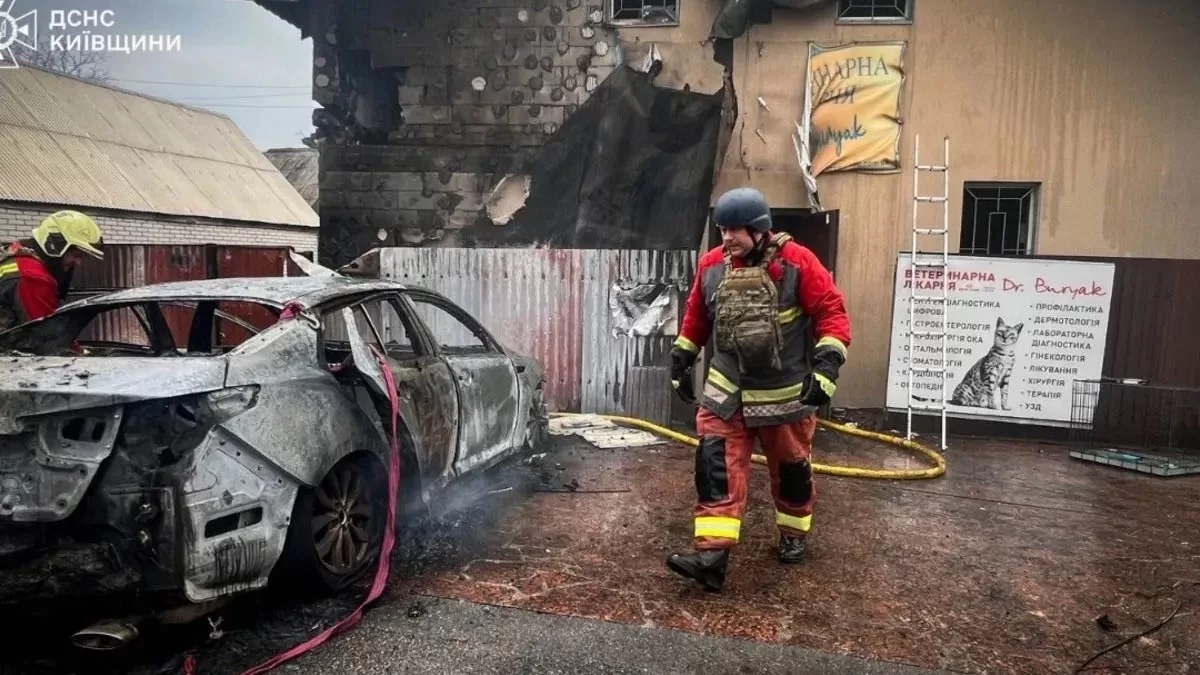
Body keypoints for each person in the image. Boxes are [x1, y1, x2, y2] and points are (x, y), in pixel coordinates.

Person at [666, 187, 851, 592]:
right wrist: (681, 358)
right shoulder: (713, 265)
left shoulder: (797, 263)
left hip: (784, 395)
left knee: (791, 470)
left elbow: (831, 313)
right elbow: (697, 315)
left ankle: (793, 535)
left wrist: (826, 367)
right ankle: (711, 557)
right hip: (726, 391)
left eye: (734, 230)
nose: (726, 238)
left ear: (759, 230)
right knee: (716, 468)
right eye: (722, 229)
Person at [0, 210, 105, 332]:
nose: (78, 262)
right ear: (54, 245)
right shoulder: (34, 277)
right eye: (76, 255)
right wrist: (78, 351)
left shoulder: (17, 254)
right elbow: (46, 336)